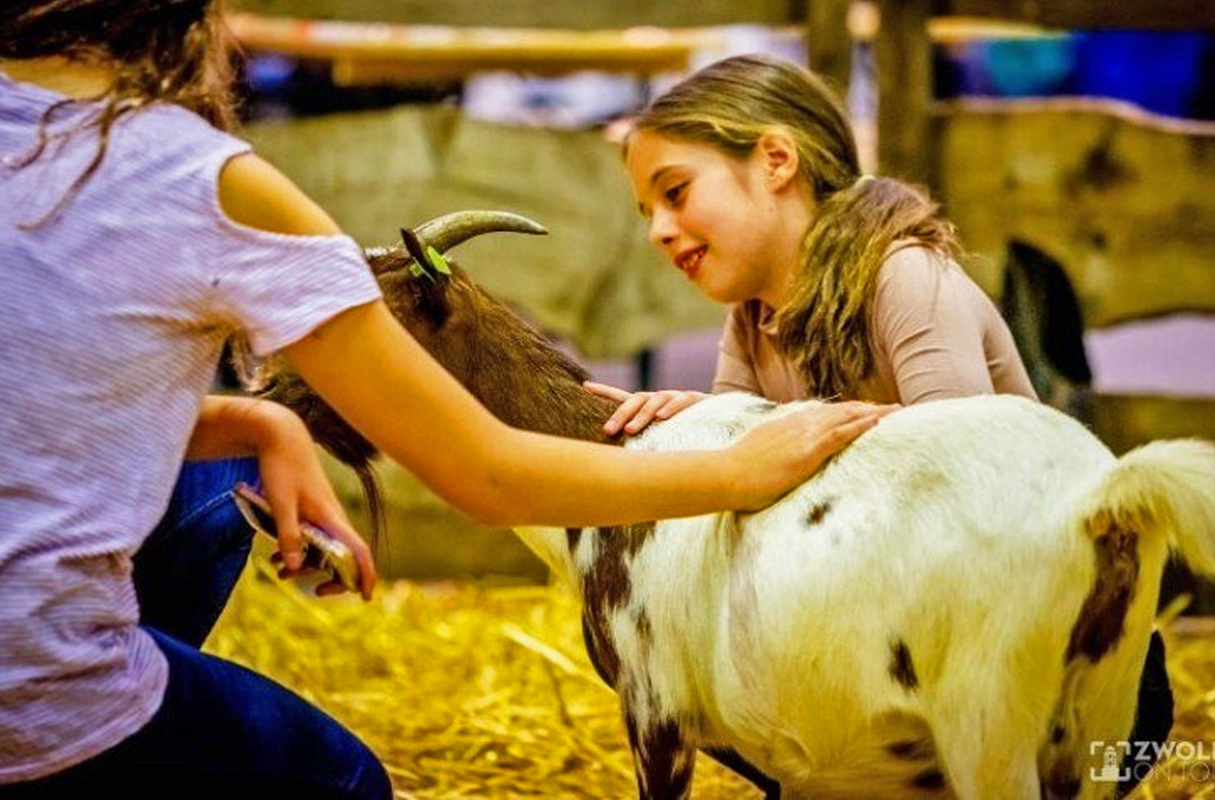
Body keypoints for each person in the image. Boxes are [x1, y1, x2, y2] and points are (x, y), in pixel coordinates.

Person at [0, 5, 891, 792]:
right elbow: (484, 473)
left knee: (218, 485)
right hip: (31, 694)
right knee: (349, 780)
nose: (662, 232)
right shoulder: (207, 179)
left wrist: (259, 416)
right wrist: (736, 474)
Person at [589, 53, 1172, 795]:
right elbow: (748, 493)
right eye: (647, 213)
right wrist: (704, 431)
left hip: (1048, 666)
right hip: (901, 661)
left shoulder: (905, 277)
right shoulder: (752, 323)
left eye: (675, 193)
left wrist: (764, 435)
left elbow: (963, 487)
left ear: (776, 160)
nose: (659, 232)